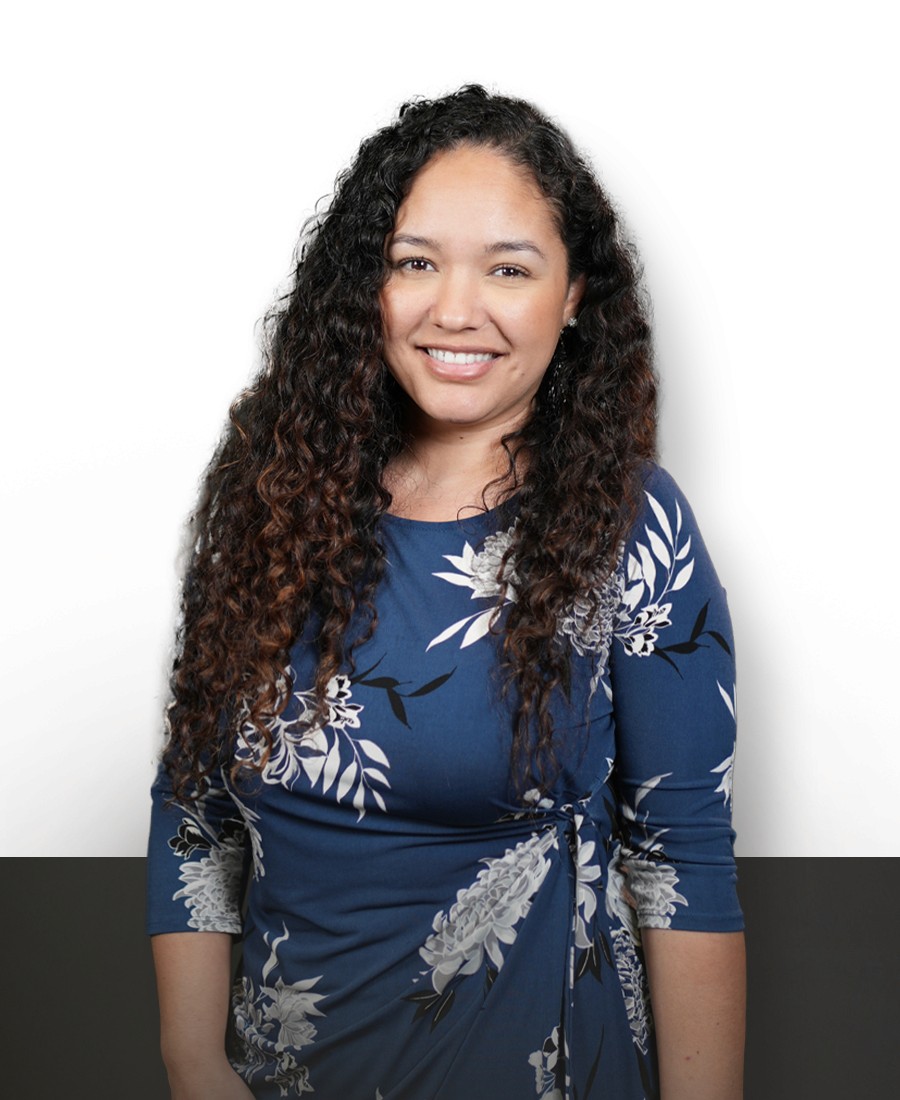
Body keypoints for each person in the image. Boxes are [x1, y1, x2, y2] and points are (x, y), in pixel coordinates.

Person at [147, 85, 745, 1100]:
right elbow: (195, 809)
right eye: (413, 261)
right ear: (364, 284)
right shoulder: (271, 491)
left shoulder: (628, 524)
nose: (454, 308)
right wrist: (196, 1063)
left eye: (508, 268)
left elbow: (680, 859)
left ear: (573, 294)